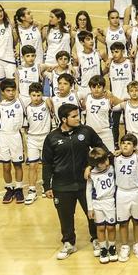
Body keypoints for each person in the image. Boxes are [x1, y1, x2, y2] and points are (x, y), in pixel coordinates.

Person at [42, 103, 107, 260]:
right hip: (62, 185)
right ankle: (69, 243)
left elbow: (101, 149)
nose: (78, 118)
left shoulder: (86, 131)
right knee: (65, 216)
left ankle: (96, 239)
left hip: (85, 184)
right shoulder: (52, 137)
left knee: (92, 213)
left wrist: (91, 166)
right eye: (74, 116)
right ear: (64, 119)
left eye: (78, 115)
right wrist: (47, 186)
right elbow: (46, 163)